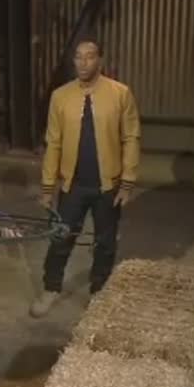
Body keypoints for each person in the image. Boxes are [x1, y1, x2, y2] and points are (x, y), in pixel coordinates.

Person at [30, 35, 141, 318]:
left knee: (105, 242)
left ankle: (98, 292)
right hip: (73, 185)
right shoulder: (61, 96)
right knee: (61, 238)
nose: (83, 62)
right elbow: (53, 142)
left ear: (100, 60)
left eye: (89, 56)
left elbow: (130, 137)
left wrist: (127, 183)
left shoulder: (120, 93)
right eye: (78, 57)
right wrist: (47, 187)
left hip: (108, 186)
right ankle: (51, 288)